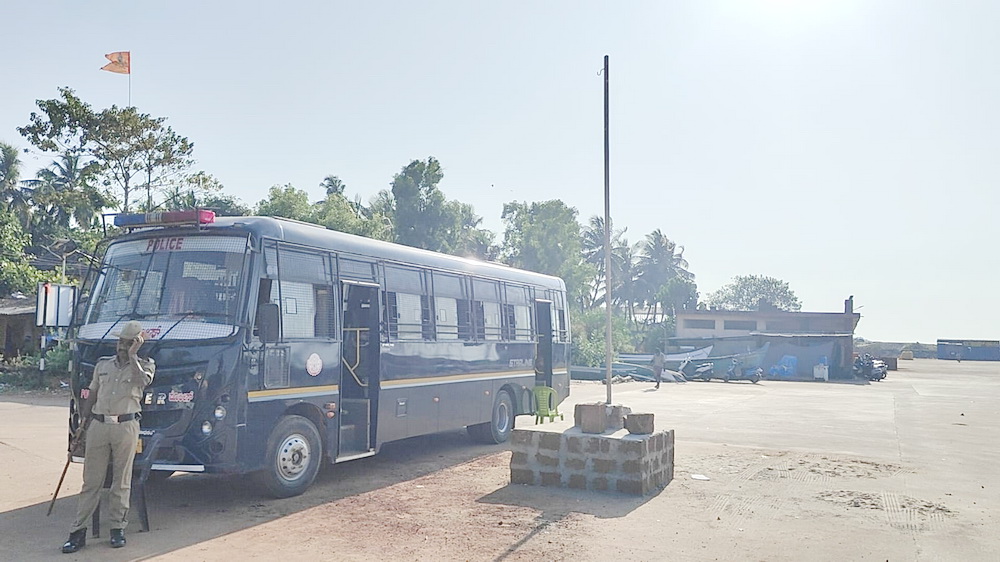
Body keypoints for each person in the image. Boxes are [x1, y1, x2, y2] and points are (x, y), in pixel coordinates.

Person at [61, 320, 154, 554]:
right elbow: (92, 393)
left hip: (126, 425)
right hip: (99, 425)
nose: (121, 346)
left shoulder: (145, 365)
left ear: (137, 343)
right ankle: (78, 532)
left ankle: (117, 529)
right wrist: (83, 423)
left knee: (121, 481)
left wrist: (133, 356)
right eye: (120, 341)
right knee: (91, 481)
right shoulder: (103, 365)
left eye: (128, 342)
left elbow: (143, 382)